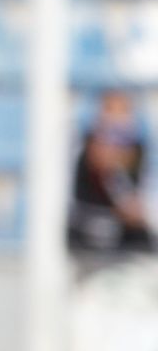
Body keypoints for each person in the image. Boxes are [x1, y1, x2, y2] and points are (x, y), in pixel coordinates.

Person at [69, 89, 151, 261]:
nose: (117, 118)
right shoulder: (88, 146)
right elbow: (102, 165)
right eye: (111, 110)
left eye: (123, 110)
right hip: (86, 233)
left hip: (126, 237)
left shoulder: (138, 150)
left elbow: (135, 207)